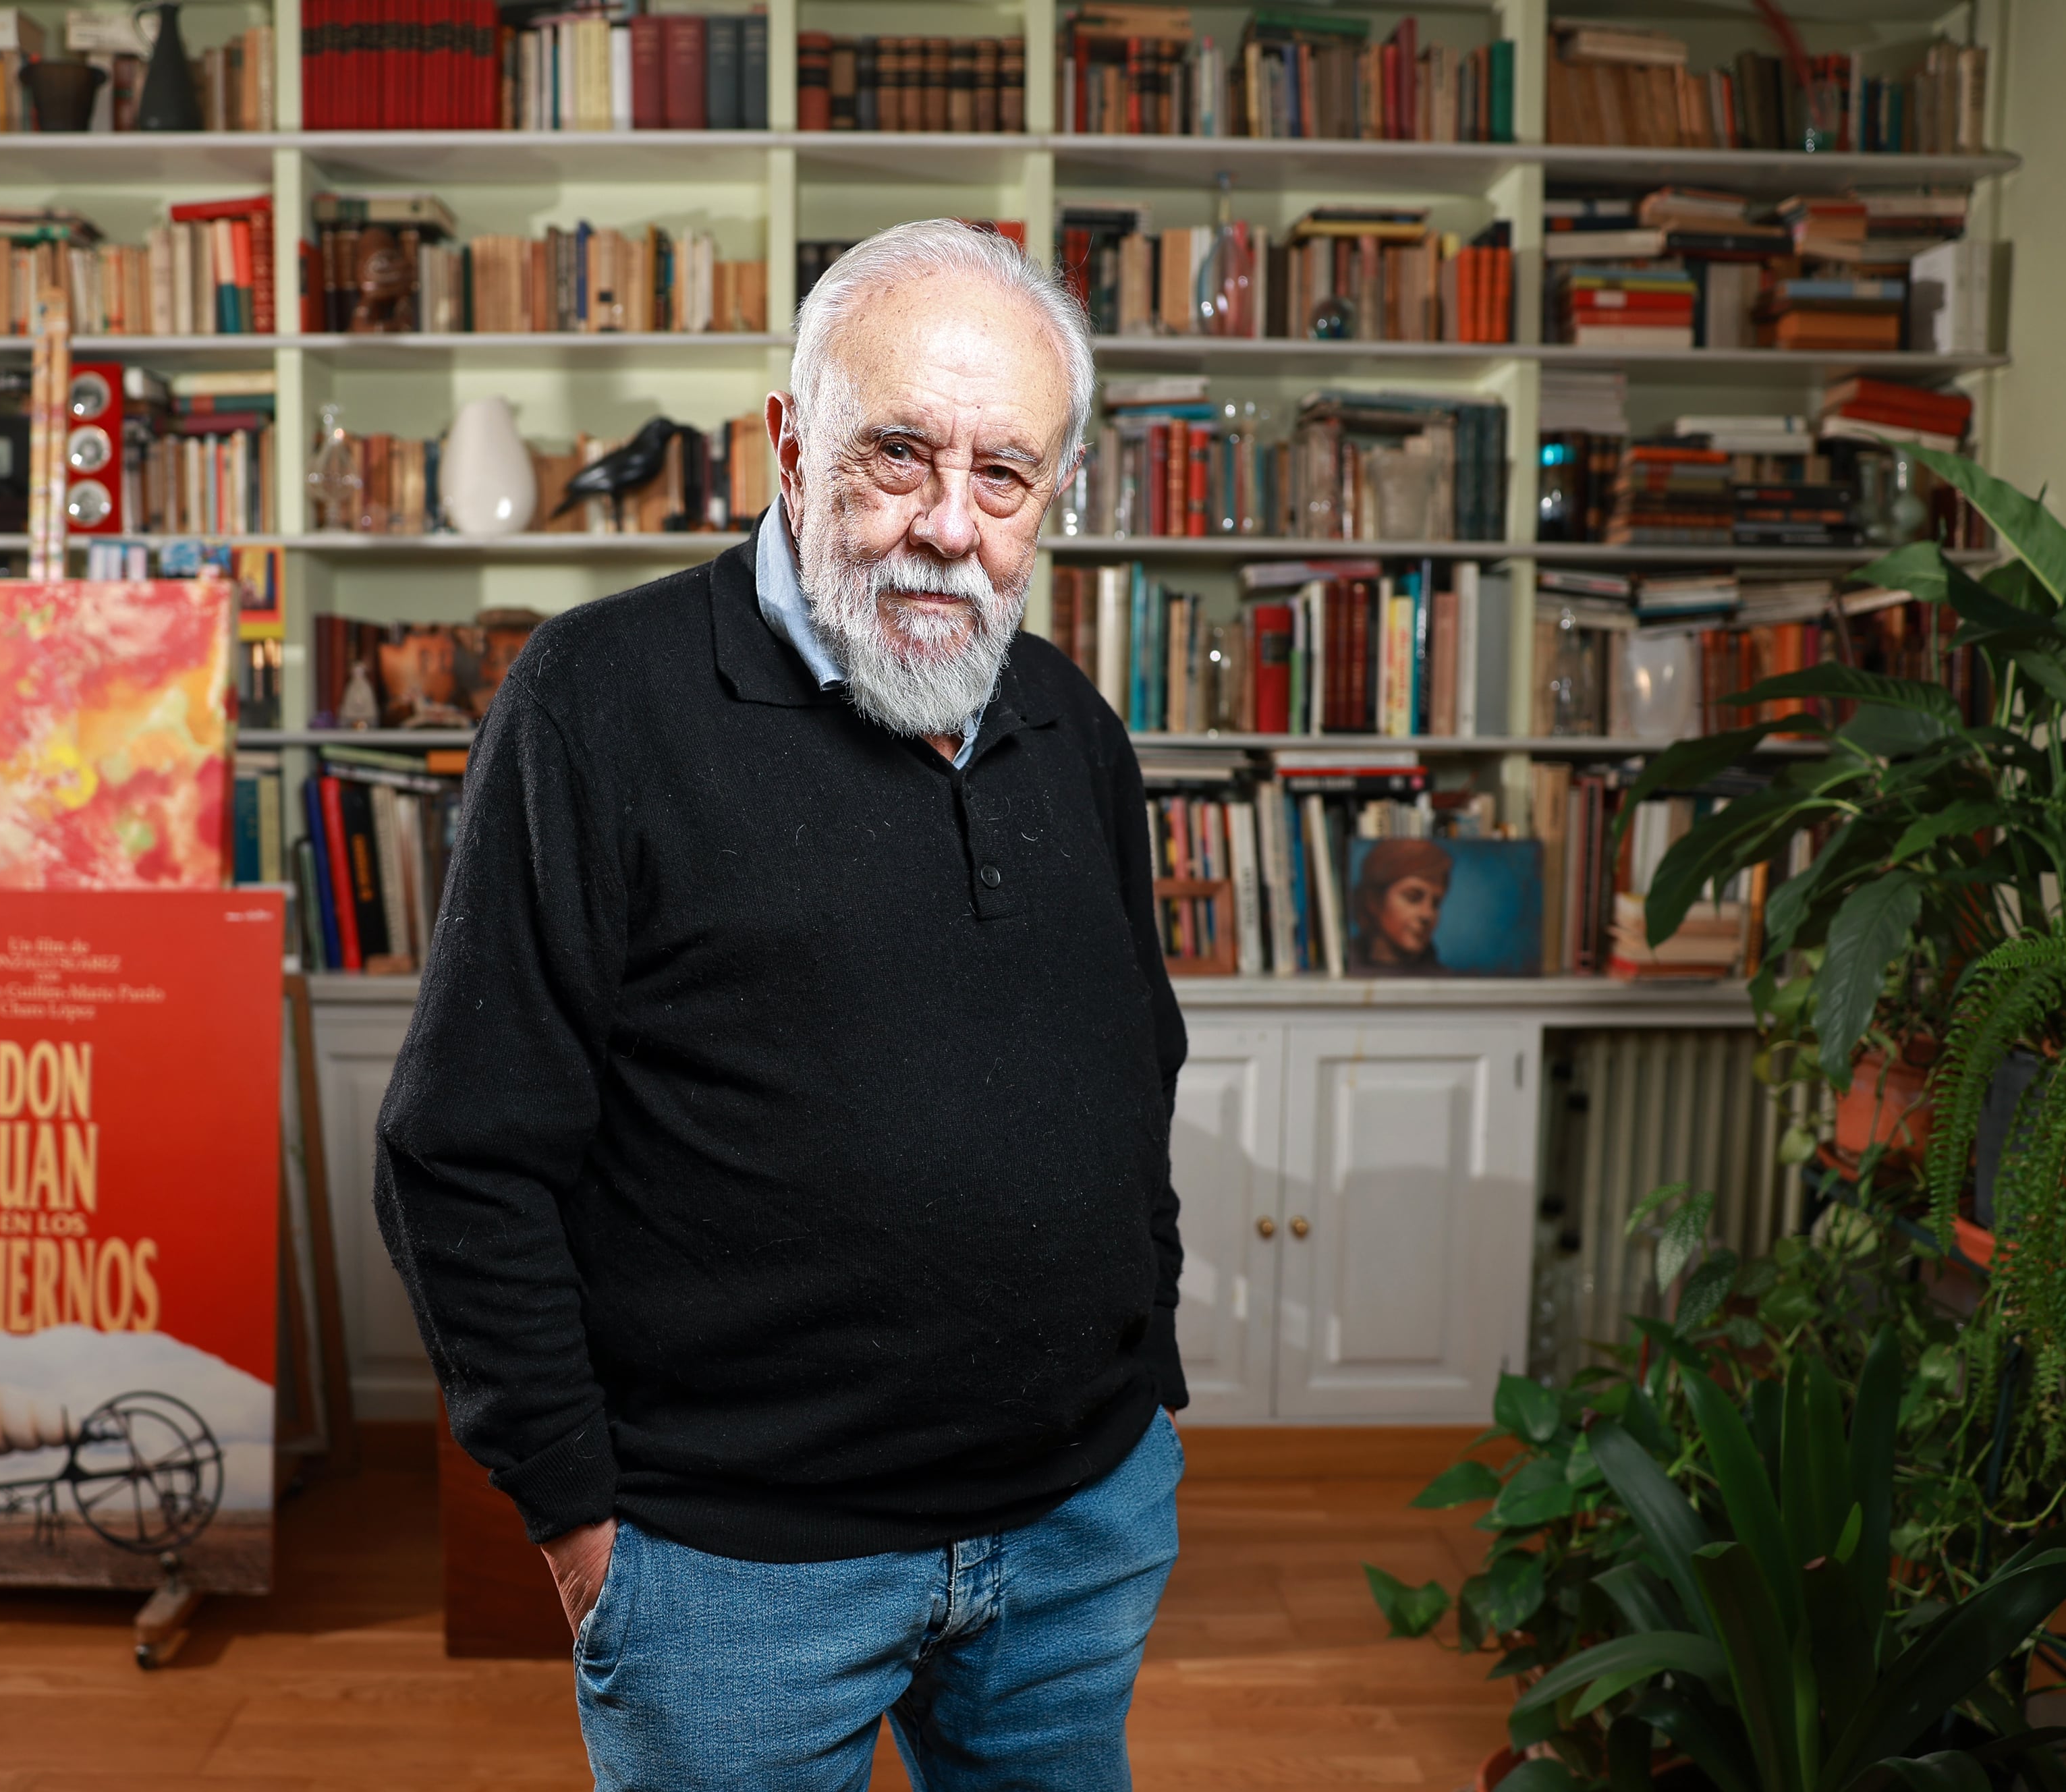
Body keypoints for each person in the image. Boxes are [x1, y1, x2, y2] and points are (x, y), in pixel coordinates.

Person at [374, 219, 1189, 1791]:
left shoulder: (1070, 722)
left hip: (1076, 1533)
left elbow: (1135, 1061)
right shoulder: (597, 702)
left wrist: (1145, 1380)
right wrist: (577, 1515)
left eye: (1004, 476)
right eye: (900, 453)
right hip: (730, 1572)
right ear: (792, 442)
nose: (948, 526)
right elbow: (460, 1151)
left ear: (1053, 495)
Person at [1349, 837, 1454, 974]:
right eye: (1412, 897)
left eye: (1436, 903)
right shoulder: (1345, 966)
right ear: (1374, 901)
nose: (1427, 914)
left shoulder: (1447, 978)